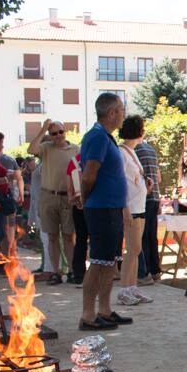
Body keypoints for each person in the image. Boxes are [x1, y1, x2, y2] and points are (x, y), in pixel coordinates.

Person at [78, 93, 133, 331]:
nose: (123, 114)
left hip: (110, 208)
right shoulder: (98, 137)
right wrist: (86, 198)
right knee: (99, 262)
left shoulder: (105, 137)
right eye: (121, 110)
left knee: (109, 262)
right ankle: (88, 315)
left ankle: (105, 309)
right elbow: (89, 174)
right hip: (101, 208)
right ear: (111, 113)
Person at [27, 119, 78, 285]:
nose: (58, 136)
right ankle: (55, 272)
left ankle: (71, 270)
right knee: (52, 236)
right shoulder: (46, 149)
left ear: (65, 132)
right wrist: (43, 130)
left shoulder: (75, 149)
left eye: (60, 132)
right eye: (54, 133)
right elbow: (31, 149)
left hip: (68, 197)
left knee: (69, 236)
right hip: (48, 196)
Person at [116, 115, 153, 306]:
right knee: (131, 250)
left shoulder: (132, 151)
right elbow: (119, 182)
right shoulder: (121, 152)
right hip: (130, 207)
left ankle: (132, 287)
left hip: (139, 205)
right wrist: (125, 208)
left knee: (136, 249)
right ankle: (124, 289)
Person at [135, 134, 163, 286]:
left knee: (143, 236)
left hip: (143, 197)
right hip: (154, 197)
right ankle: (155, 270)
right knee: (152, 235)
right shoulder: (151, 150)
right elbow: (157, 177)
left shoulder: (136, 150)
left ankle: (144, 272)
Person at [65, 151, 87, 286]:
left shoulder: (73, 161)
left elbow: (69, 187)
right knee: (98, 239)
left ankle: (79, 273)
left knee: (80, 239)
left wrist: (72, 198)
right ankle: (101, 273)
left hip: (78, 203)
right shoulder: (97, 157)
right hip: (96, 203)